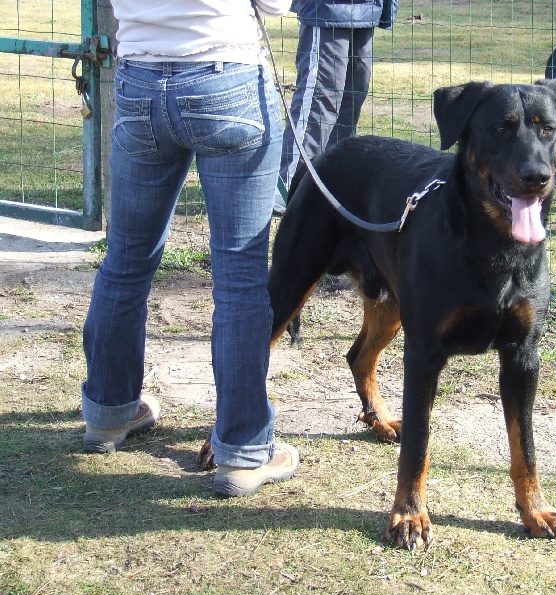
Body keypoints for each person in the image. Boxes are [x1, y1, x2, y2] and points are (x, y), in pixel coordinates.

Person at [81, 0, 300, 498]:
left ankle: (108, 415)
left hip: (139, 78)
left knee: (126, 260)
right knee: (240, 278)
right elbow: (278, 6)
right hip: (227, 74)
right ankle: (244, 451)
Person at [273, 0, 399, 214]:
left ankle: (334, 181)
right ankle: (288, 188)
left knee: (351, 99)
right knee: (319, 100)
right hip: (328, 9)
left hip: (368, 10)